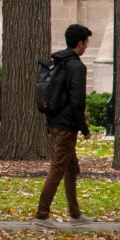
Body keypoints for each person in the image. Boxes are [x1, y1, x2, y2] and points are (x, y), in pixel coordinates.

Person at [33, 23, 94, 228]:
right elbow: (77, 101)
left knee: (71, 168)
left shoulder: (58, 61)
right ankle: (42, 215)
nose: (86, 47)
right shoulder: (77, 67)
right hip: (66, 126)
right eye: (86, 43)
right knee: (58, 169)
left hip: (54, 122)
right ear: (79, 43)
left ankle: (75, 214)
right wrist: (84, 129)